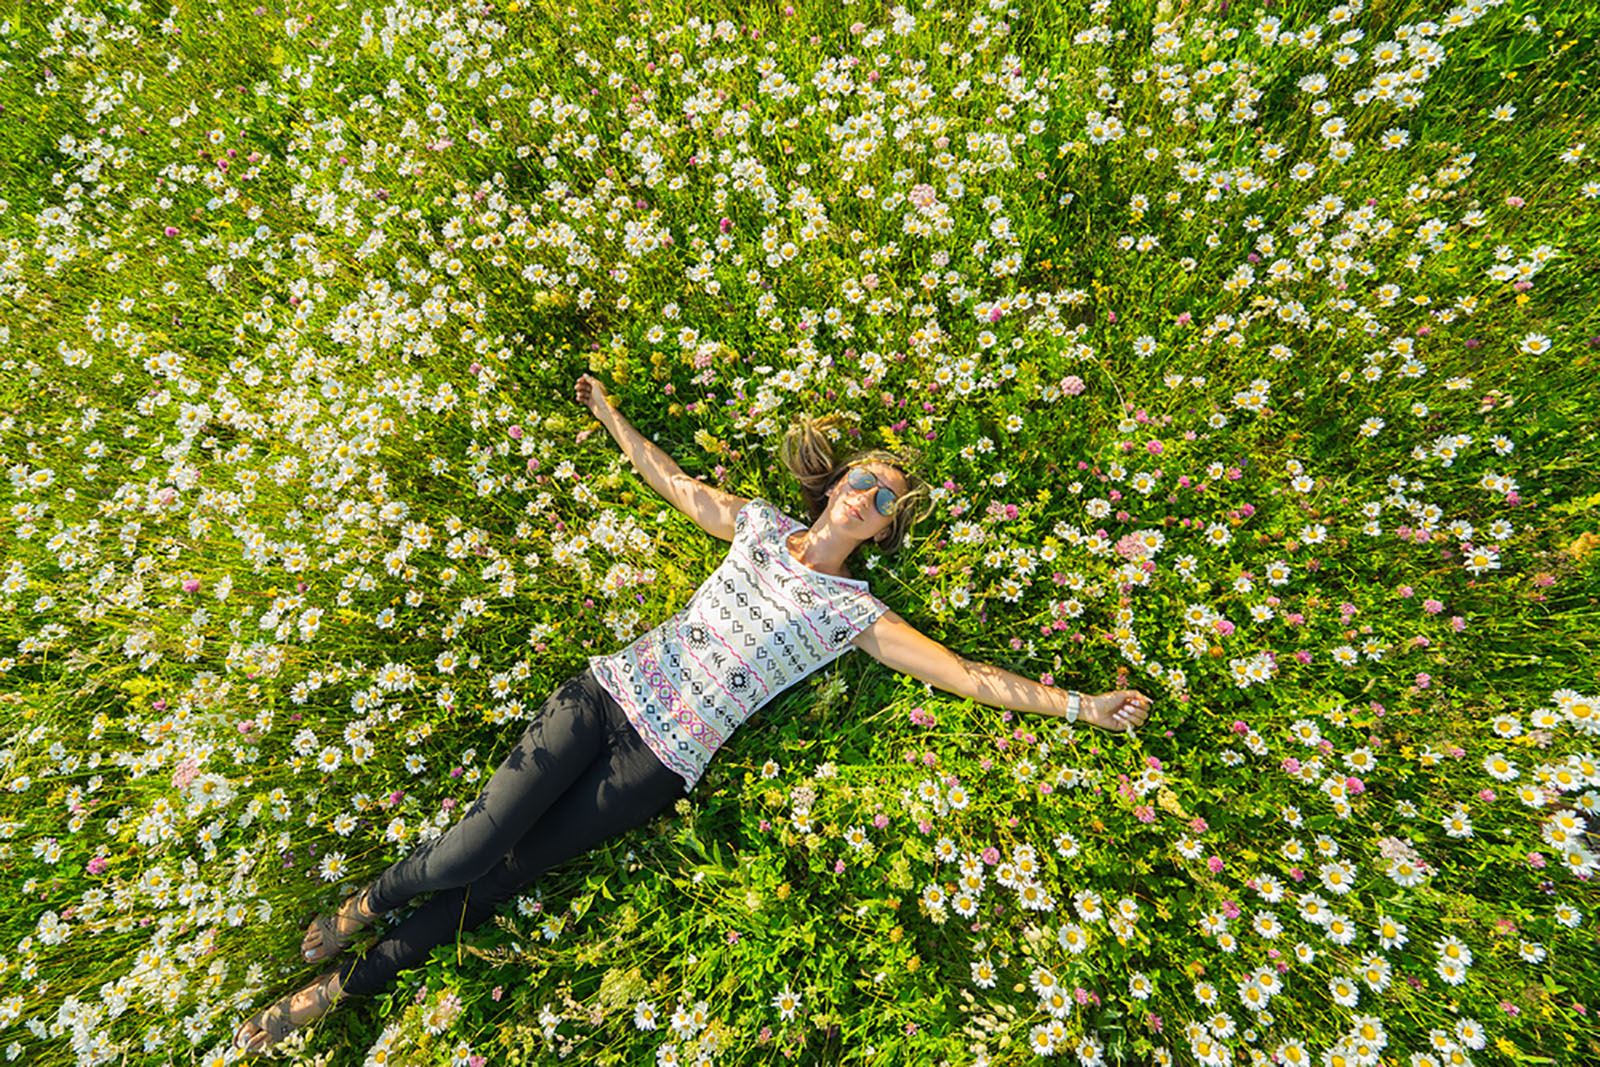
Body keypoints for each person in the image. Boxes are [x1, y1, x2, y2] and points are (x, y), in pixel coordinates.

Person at [235, 374, 1154, 1053]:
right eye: (859, 480)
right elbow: (675, 484)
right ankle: (371, 901)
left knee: (500, 882)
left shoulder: (858, 613)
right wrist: (611, 416)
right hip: (605, 697)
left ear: (882, 532)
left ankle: (347, 985)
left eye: (882, 501)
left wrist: (1084, 705)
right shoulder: (757, 524)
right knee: (475, 846)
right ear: (832, 486)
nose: (862, 497)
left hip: (660, 766)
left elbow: (965, 674)